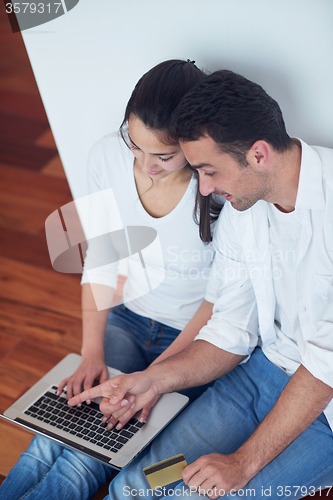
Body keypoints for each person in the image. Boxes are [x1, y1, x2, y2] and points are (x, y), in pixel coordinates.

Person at [70, 69, 333, 499]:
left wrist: (244, 462)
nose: (204, 187)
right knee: (138, 487)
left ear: (259, 154)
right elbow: (230, 328)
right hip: (264, 374)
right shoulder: (243, 210)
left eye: (209, 171)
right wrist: (153, 382)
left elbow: (326, 363)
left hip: (327, 408)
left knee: (196, 496)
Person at [0, 60, 223, 500]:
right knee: (51, 439)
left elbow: (218, 302)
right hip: (129, 317)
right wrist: (90, 352)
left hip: (195, 341)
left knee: (85, 459)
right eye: (136, 146)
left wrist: (156, 378)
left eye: (164, 155)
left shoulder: (218, 185)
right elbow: (101, 258)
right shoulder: (106, 154)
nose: (145, 164)